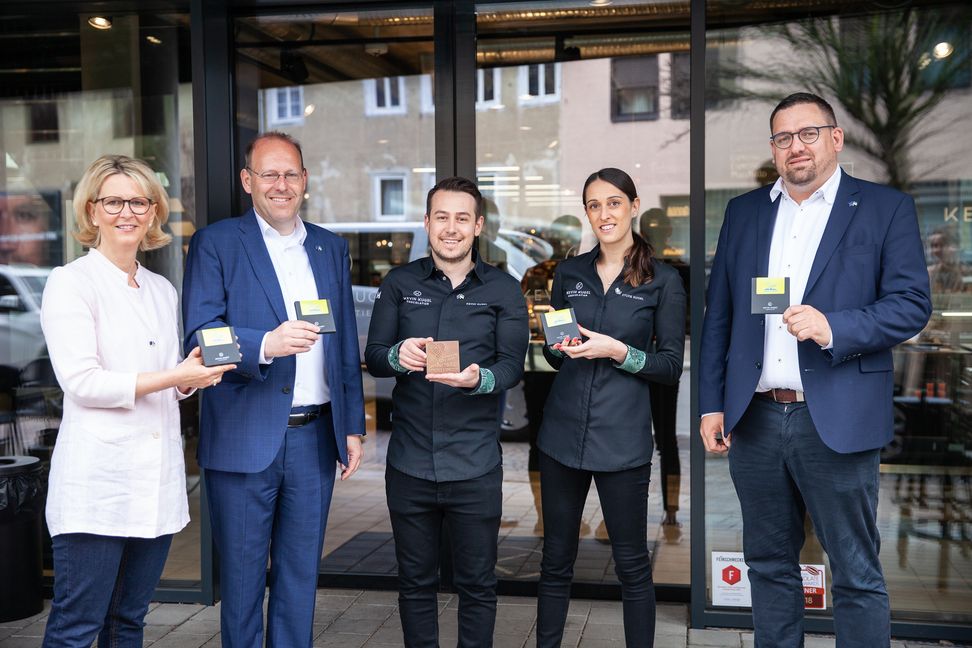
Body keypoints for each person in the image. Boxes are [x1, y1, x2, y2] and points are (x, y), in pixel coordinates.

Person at [698, 92, 932, 647]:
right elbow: (720, 318)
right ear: (773, 149)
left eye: (807, 133)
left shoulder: (883, 208)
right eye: (783, 138)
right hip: (754, 418)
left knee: (855, 570)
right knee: (768, 564)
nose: (795, 147)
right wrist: (711, 401)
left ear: (835, 137)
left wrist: (835, 328)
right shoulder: (745, 212)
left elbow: (911, 304)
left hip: (837, 416)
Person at [39, 155, 235, 647]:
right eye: (113, 201)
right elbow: (83, 382)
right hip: (97, 486)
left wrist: (193, 378)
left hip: (154, 484)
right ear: (91, 210)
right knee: (77, 627)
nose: (127, 211)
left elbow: (168, 377)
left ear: (154, 212)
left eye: (139, 201)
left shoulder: (161, 289)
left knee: (129, 622)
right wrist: (176, 373)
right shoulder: (71, 282)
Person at [182, 131, 365, 647]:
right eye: (269, 174)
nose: (281, 185)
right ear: (248, 181)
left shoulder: (329, 246)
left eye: (291, 174)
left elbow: (344, 339)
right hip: (243, 437)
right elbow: (201, 336)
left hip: (314, 437)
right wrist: (265, 343)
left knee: (300, 578)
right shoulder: (216, 243)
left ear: (305, 182)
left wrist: (352, 426)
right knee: (241, 585)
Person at [364, 176, 529, 648]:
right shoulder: (399, 283)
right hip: (410, 464)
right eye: (442, 217)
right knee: (415, 585)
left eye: (462, 218)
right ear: (427, 223)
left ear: (478, 225)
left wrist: (481, 380)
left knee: (477, 585)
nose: (451, 228)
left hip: (475, 465)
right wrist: (399, 355)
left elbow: (512, 366)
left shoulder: (503, 288)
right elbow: (374, 354)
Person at [536, 168, 686, 648]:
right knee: (555, 559)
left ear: (634, 206)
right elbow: (554, 354)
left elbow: (668, 367)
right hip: (561, 436)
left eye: (614, 202)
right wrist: (559, 346)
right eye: (595, 205)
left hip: (622, 440)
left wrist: (618, 351)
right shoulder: (569, 272)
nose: (605, 214)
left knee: (631, 563)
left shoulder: (663, 280)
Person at [639, 207, 688, 526]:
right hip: (632, 361)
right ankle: (636, 508)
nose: (657, 234)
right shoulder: (633, 268)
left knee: (666, 438)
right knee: (639, 437)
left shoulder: (679, 270)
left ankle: (671, 508)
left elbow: (689, 316)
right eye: (651, 228)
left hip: (663, 361)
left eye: (661, 228)